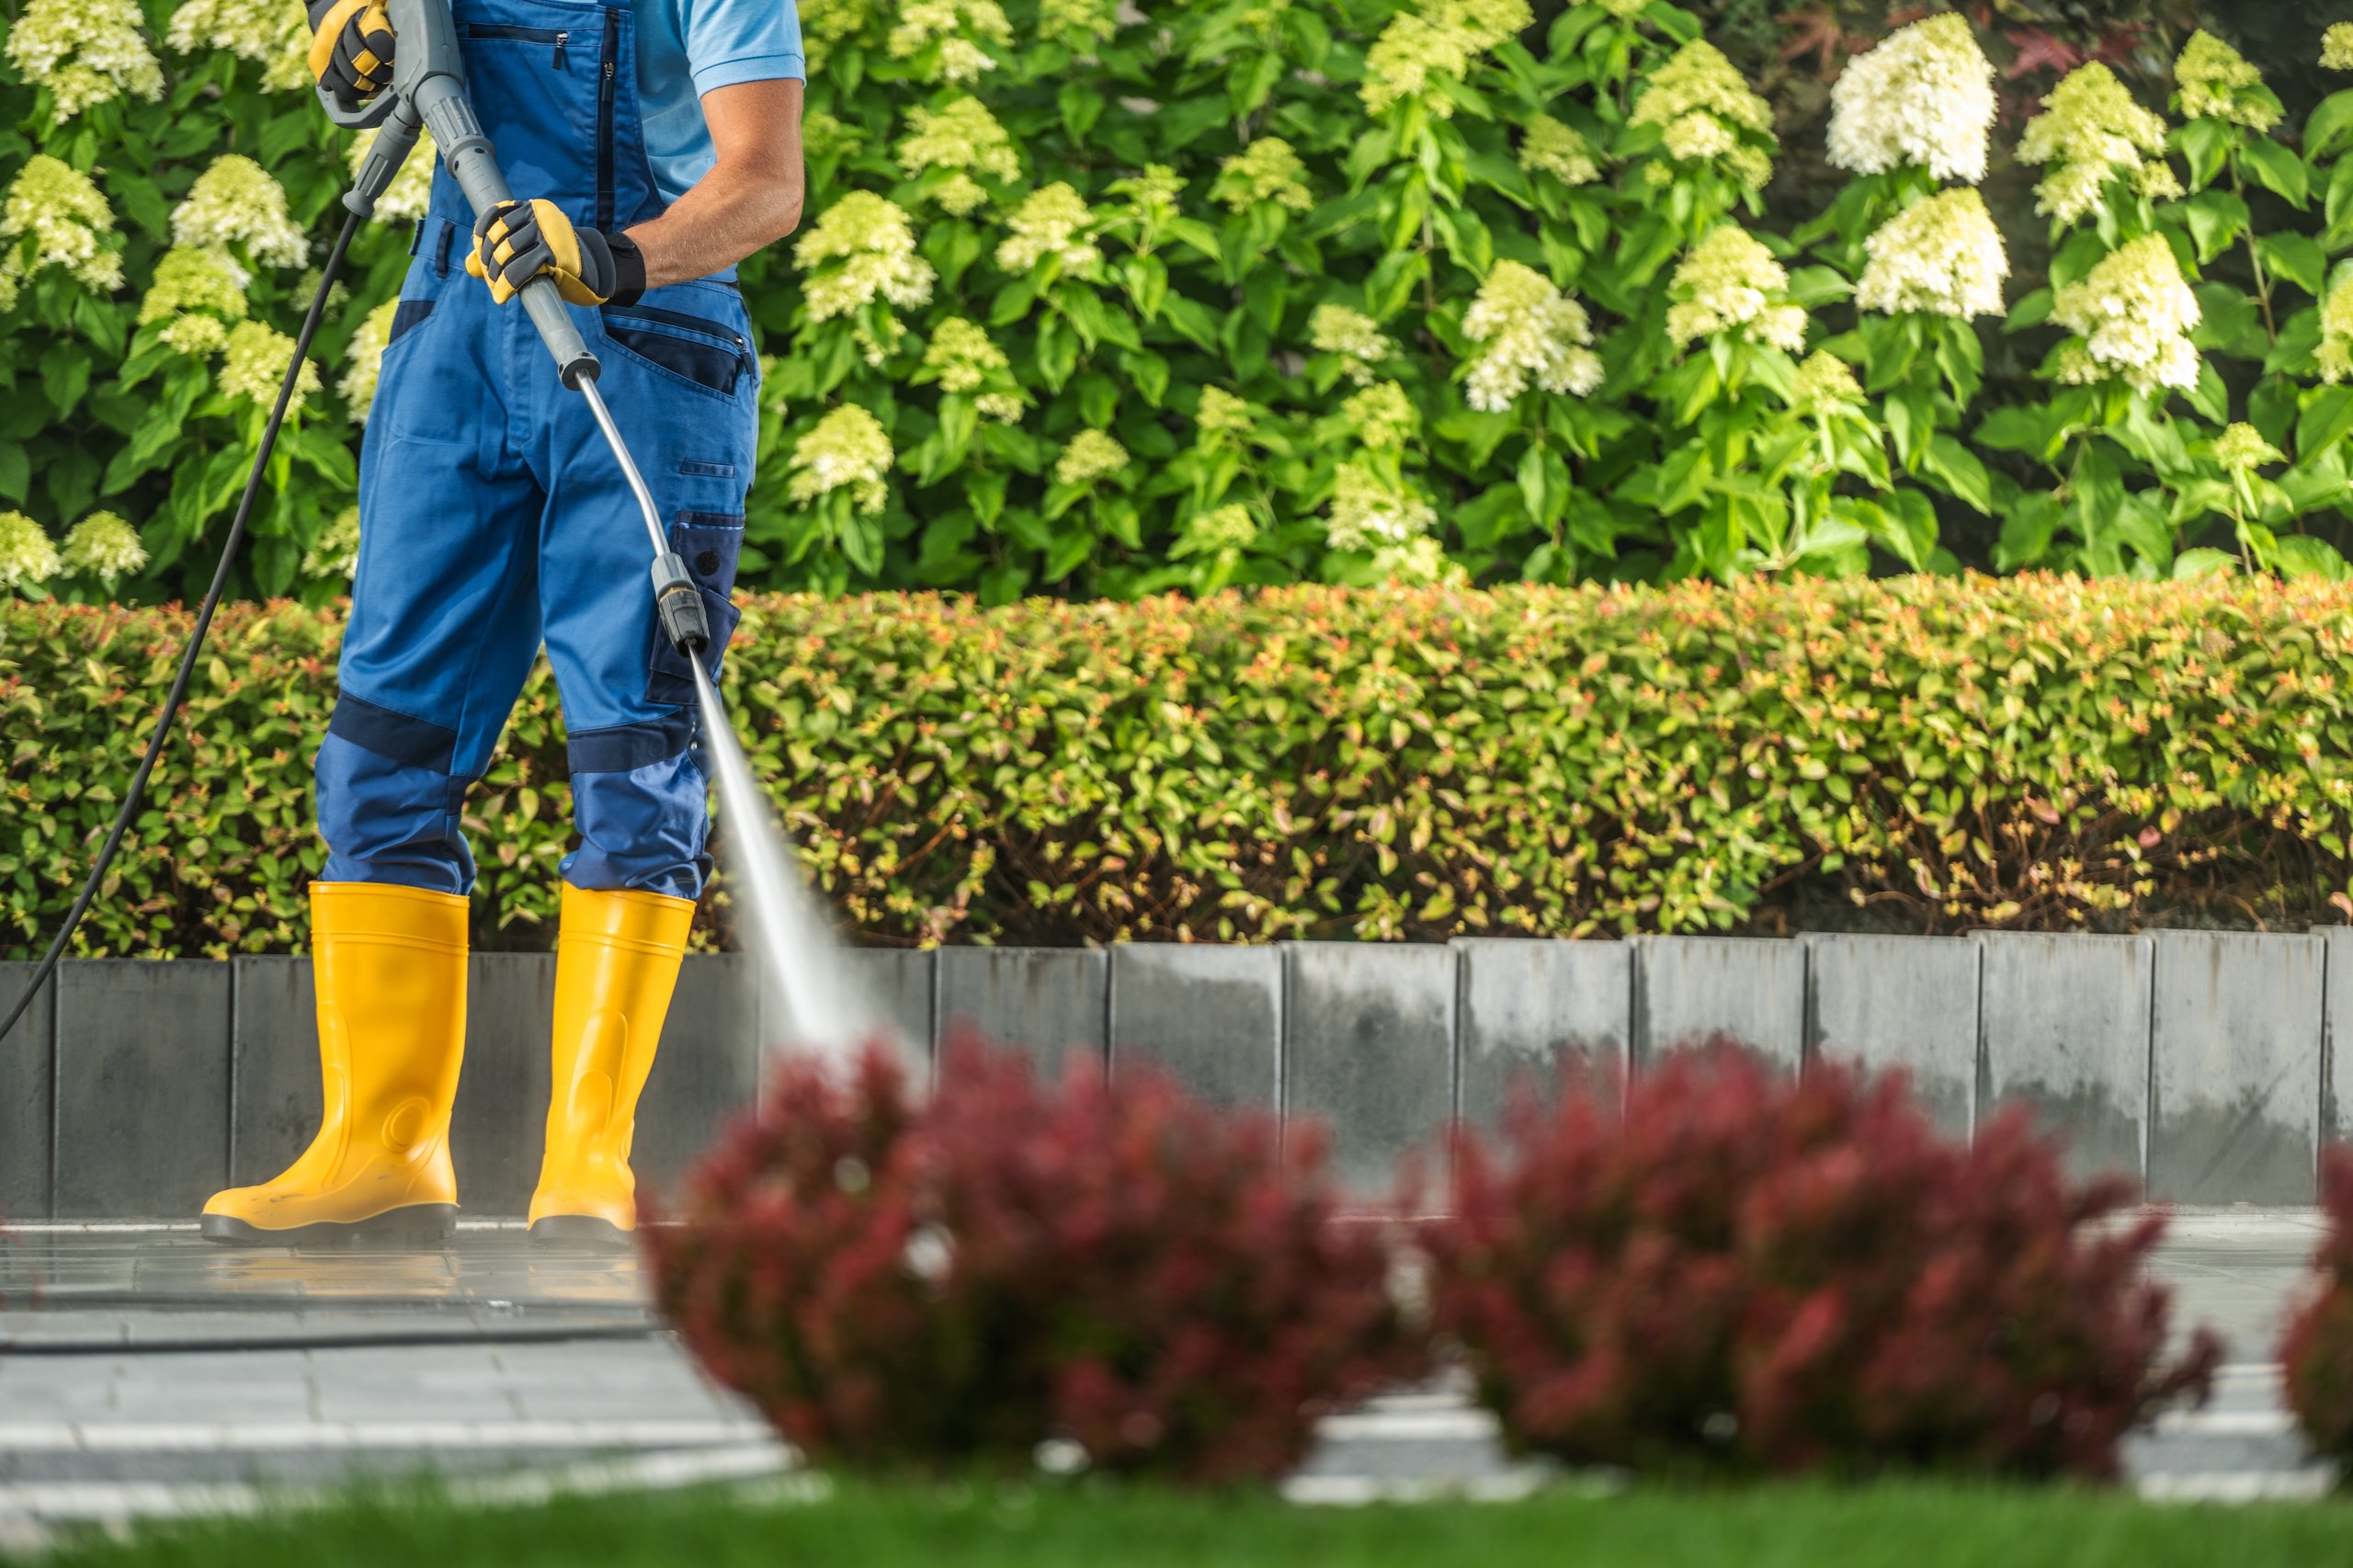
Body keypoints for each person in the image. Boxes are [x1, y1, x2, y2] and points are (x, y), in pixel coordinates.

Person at [200, 0, 805, 1244]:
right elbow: (360, 50)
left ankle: (589, 1159)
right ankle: (383, 1143)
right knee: (382, 746)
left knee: (636, 758)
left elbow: (764, 181)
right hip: (456, 345)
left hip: (646, 350)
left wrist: (615, 252)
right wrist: (345, 36)